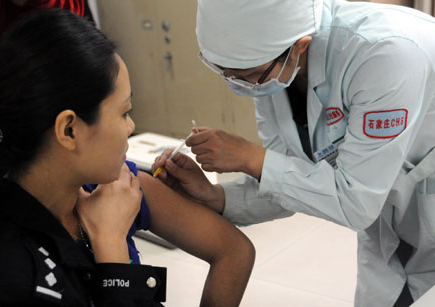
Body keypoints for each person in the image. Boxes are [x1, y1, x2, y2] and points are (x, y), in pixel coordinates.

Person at [151, 0, 435, 306]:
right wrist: (216, 197)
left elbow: (356, 203)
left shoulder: (385, 54)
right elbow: (292, 183)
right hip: (391, 210)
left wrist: (251, 158)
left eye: (248, 76)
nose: (242, 88)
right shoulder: (274, 71)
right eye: (227, 74)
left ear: (299, 46)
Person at [0, 9, 255, 307]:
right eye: (124, 112)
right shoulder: (9, 273)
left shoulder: (114, 188)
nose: (131, 127)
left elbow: (234, 251)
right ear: (70, 129)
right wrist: (111, 246)